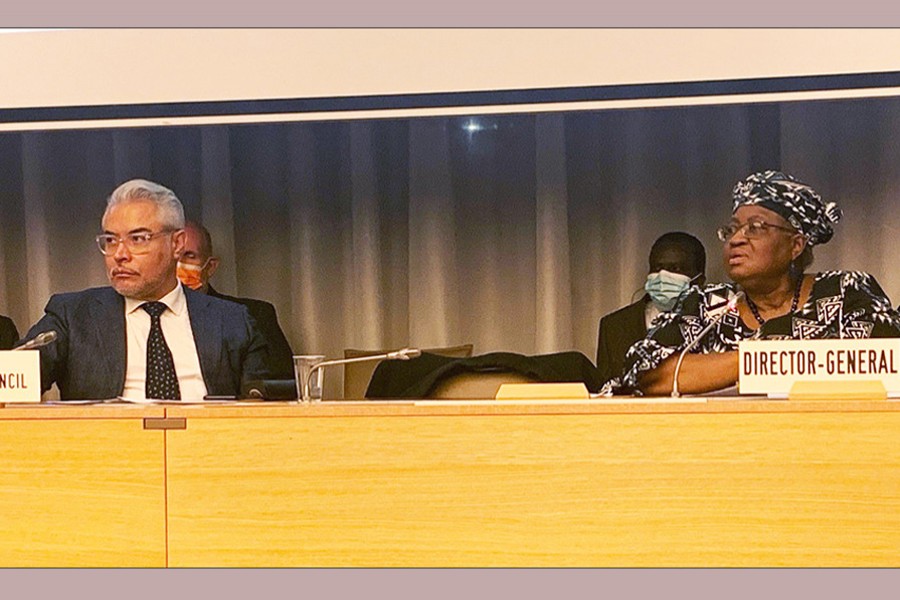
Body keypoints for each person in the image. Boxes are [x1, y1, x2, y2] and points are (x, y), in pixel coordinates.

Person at [621, 170, 900, 396]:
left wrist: (720, 368)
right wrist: (755, 361)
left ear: (796, 245)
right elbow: (646, 373)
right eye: (732, 229)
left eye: (755, 227)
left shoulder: (845, 293)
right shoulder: (707, 305)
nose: (736, 239)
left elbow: (887, 363)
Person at [21, 179, 268, 400]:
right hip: (107, 437)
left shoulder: (232, 321)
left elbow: (267, 411)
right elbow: (12, 382)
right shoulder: (73, 316)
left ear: (177, 244)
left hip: (207, 437)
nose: (120, 254)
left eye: (138, 239)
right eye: (111, 240)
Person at [177, 221, 295, 379]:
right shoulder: (147, 317)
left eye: (189, 256)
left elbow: (282, 385)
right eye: (173, 256)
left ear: (210, 267)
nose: (178, 265)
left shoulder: (253, 316)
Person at [595, 232, 706, 386]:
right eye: (657, 268)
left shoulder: (716, 324)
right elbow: (604, 390)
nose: (662, 275)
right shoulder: (614, 326)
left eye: (675, 269)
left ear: (699, 280)